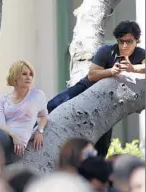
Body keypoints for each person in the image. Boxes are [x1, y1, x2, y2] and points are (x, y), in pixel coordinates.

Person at [47, 20, 145, 157]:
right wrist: (111, 71)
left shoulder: (141, 54)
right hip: (87, 87)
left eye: (129, 41)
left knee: (102, 146)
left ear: (137, 40)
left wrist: (133, 68)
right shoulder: (106, 51)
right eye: (121, 41)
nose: (124, 45)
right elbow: (92, 75)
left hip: (110, 103)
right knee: (53, 104)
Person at [0, 60, 48, 156]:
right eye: (24, 74)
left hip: (15, 146)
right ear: (15, 76)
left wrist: (40, 131)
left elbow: (44, 116)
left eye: (31, 74)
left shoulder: (37, 95)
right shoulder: (2, 99)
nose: (29, 77)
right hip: (5, 138)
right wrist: (14, 136)